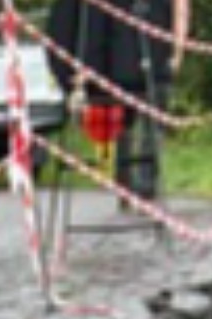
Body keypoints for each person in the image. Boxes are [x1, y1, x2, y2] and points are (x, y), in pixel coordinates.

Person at [42, 0, 188, 201]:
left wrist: (70, 72)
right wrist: (177, 49)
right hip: (144, 65)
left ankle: (129, 176)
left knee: (136, 104)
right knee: (149, 102)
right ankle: (142, 177)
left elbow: (60, 28)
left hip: (97, 73)